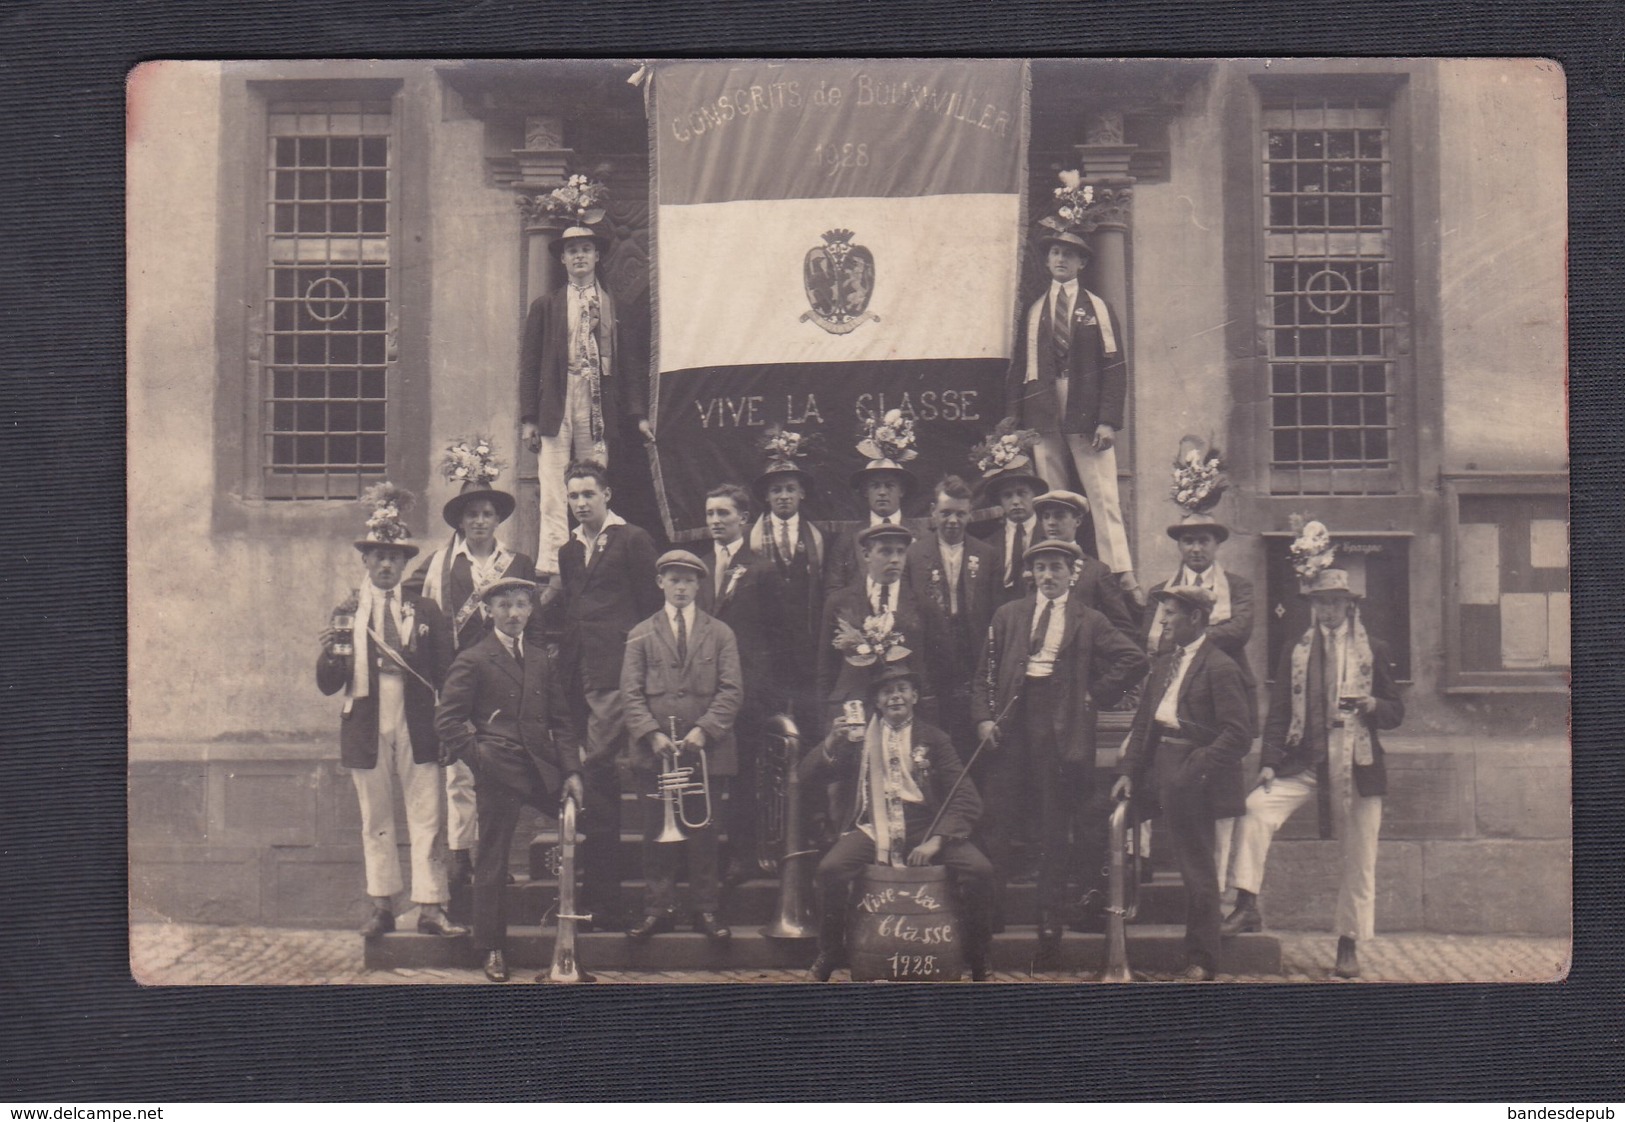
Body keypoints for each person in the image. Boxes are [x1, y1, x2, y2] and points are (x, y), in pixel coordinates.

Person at [1221, 565, 1405, 979]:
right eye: (1320, 601)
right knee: (1254, 811)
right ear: (1313, 605)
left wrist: (1374, 705)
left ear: (1348, 604)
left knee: (1360, 855)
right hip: (1305, 756)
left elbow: (1396, 711)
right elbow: (1280, 711)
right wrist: (1268, 761)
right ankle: (1246, 903)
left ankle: (1348, 942)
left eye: (1335, 601)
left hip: (1357, 759)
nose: (1327, 609)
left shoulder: (1372, 647)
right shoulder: (1296, 649)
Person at [972, 538, 1148, 956]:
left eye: (1056, 567)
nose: (1048, 576)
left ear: (1073, 572)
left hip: (1062, 727)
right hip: (1012, 726)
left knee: (1054, 826)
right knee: (998, 818)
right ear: (1030, 574)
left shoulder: (1089, 620)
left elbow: (1134, 659)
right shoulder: (1008, 615)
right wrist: (982, 718)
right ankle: (990, 911)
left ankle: (1048, 917)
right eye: (1041, 568)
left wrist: (1094, 695)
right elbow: (984, 675)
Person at [316, 489, 466, 942]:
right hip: (365, 715)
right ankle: (381, 904)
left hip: (416, 716)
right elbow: (327, 682)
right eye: (378, 557)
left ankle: (431, 906)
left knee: (427, 813)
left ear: (404, 566)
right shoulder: (347, 612)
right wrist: (330, 653)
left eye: (394, 559)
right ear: (366, 561)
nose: (385, 566)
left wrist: (446, 722)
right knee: (374, 815)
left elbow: (447, 671)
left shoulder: (426, 609)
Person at [800, 662, 996, 982]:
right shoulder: (858, 738)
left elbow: (966, 796)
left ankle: (978, 956)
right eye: (886, 692)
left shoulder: (935, 738)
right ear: (876, 701)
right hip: (872, 826)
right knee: (830, 870)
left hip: (925, 825)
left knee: (980, 870)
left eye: (902, 690)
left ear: (915, 696)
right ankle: (831, 951)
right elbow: (805, 776)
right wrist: (832, 742)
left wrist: (937, 840)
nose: (895, 697)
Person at [434, 577, 584, 983]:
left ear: (531, 610)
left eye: (521, 605)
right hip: (497, 770)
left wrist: (570, 771)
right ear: (489, 611)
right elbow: (447, 721)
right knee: (494, 858)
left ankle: (579, 930)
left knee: (594, 817)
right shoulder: (474, 657)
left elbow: (562, 722)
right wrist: (480, 756)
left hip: (541, 768)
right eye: (504, 606)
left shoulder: (540, 658)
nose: (514, 613)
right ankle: (492, 947)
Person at [408, 476, 540, 906]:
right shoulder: (442, 563)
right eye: (472, 514)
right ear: (461, 522)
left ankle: (493, 859)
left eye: (487, 514)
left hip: (506, 681)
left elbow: (531, 614)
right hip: (461, 678)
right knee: (460, 774)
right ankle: (462, 857)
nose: (480, 521)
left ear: (498, 519)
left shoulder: (518, 563)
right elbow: (414, 603)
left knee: (503, 772)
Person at [1113, 586, 1253, 980]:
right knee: (1098, 818)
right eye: (1162, 613)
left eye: (1171, 613)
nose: (1162, 620)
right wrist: (1127, 772)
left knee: (1196, 868)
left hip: (1193, 774)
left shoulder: (1220, 666)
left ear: (1195, 618)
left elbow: (1239, 733)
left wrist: (1195, 766)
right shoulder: (1164, 662)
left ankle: (1202, 960)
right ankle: (1112, 939)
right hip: (1157, 768)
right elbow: (1144, 724)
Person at [553, 459, 663, 928]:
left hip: (621, 675)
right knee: (594, 782)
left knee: (606, 777)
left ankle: (612, 902)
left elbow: (650, 609)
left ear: (607, 495)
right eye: (573, 496)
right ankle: (598, 897)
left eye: (588, 495)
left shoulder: (633, 540)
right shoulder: (568, 551)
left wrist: (641, 676)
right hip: (580, 676)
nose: (580, 504)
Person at [1005, 225, 1140, 601]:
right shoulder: (1034, 311)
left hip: (1084, 404)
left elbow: (1115, 365)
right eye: (1054, 253)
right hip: (1043, 405)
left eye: (1069, 254)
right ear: (1047, 260)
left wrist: (1108, 420)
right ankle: (1053, 567)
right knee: (1051, 493)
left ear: (1082, 262)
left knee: (1102, 492)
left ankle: (1121, 575)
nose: (1060, 259)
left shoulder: (1096, 307)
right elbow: (1019, 367)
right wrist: (1014, 419)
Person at [620, 550, 745, 942]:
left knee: (704, 834)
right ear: (660, 582)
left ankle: (706, 910)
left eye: (688, 580)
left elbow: (732, 689)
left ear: (698, 585)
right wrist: (652, 733)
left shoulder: (721, 632)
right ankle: (659, 910)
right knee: (656, 833)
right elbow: (630, 691)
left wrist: (705, 731)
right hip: (654, 750)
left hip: (704, 751)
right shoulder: (639, 633)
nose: (680, 586)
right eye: (672, 578)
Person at [519, 225, 654, 581]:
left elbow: (630, 368)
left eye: (586, 249)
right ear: (562, 259)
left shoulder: (614, 308)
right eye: (572, 250)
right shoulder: (546, 307)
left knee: (595, 479)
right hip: (557, 404)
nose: (579, 256)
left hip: (597, 405)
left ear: (597, 256)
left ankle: (597, 557)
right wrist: (529, 418)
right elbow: (530, 364)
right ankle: (552, 563)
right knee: (553, 484)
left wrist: (638, 415)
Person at [1144, 508, 1259, 886]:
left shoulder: (1238, 586)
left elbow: (1240, 631)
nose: (1195, 548)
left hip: (1221, 698)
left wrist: (1191, 638)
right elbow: (1154, 640)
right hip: (1181, 701)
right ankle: (1146, 866)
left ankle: (1221, 889)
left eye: (1203, 541)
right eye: (1188, 541)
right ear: (1179, 545)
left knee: (1221, 799)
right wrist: (1190, 633)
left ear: (1216, 545)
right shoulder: (1161, 589)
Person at [698, 483, 771, 884]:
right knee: (706, 775)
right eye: (710, 514)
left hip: (747, 689)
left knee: (743, 776)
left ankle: (743, 855)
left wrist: (765, 690)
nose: (714, 522)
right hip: (703, 691)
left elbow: (777, 635)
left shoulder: (762, 568)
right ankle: (701, 857)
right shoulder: (699, 566)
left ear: (743, 518)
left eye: (723, 514)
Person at [818, 522, 950, 731]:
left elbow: (941, 667)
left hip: (908, 715)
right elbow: (826, 670)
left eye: (900, 552)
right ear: (866, 554)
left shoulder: (924, 606)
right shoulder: (840, 603)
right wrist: (826, 721)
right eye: (885, 551)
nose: (895, 559)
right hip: (855, 712)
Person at [904, 476, 997, 755]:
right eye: (945, 513)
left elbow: (994, 611)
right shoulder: (915, 554)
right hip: (932, 657)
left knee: (972, 738)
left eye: (960, 514)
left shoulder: (987, 554)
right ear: (933, 512)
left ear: (969, 514)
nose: (953, 521)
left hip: (973, 656)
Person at [748, 452, 828, 741]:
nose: (783, 496)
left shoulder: (817, 538)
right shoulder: (751, 539)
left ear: (801, 493)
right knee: (770, 721)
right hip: (768, 649)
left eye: (790, 489)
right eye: (776, 490)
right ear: (766, 497)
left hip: (806, 646)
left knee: (809, 720)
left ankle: (808, 784)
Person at [1031, 489, 1139, 640]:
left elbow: (1122, 627)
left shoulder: (1096, 571)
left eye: (1059, 515)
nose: (1051, 522)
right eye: (1046, 516)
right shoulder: (1031, 567)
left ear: (1078, 520)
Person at [824, 456, 917, 594]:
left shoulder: (920, 535)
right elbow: (834, 590)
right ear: (865, 492)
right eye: (875, 486)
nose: (882, 492)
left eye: (889, 485)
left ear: (901, 491)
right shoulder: (847, 539)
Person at [974, 464, 1047, 607]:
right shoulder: (987, 545)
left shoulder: (1050, 537)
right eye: (1007, 495)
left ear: (1035, 496)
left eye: (1022, 493)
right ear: (1000, 501)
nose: (1015, 501)